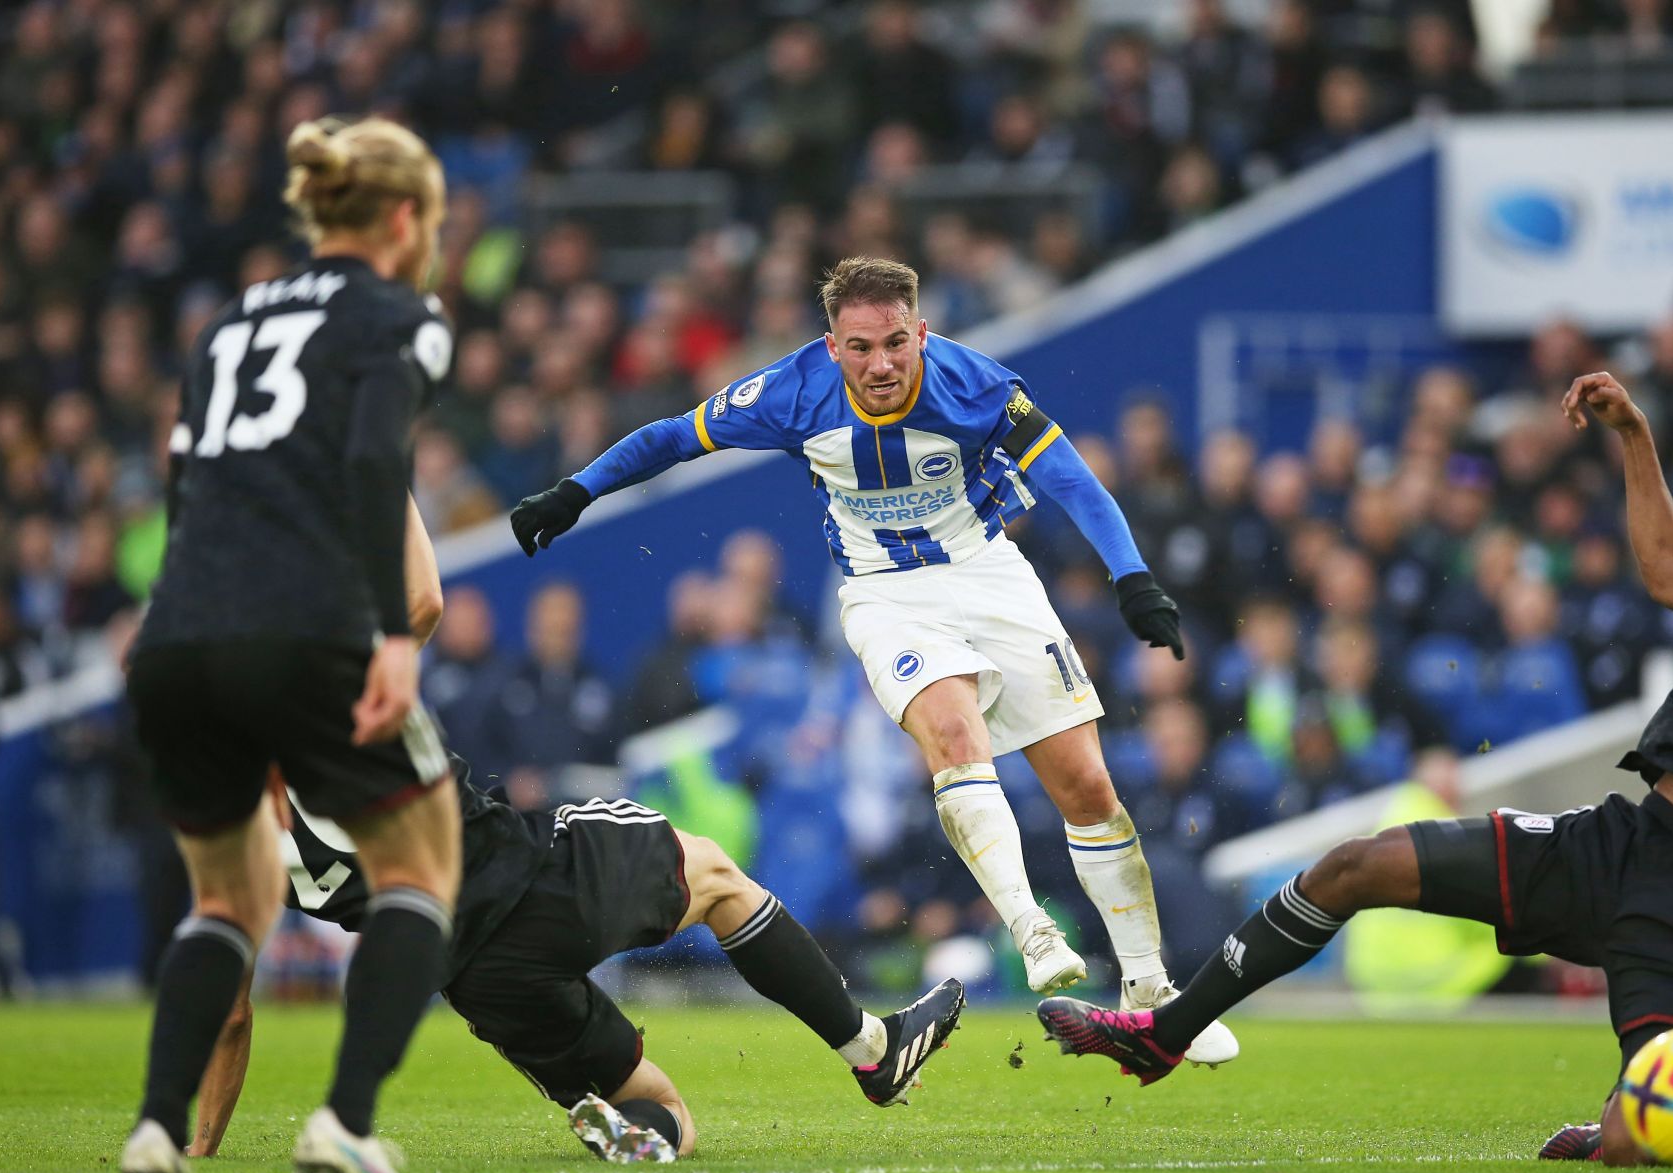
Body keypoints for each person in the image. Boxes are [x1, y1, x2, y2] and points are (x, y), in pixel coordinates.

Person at [1039, 371, 1673, 1167]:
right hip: (1622, 844)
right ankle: (1165, 1032)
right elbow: (1670, 571)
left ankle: (1617, 1123)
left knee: (1649, 1144)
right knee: (1354, 863)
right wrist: (1635, 434)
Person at [511, 256, 1236, 1065]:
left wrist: (1132, 577)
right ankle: (1033, 931)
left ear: (921, 331)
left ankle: (1149, 990)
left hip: (988, 572)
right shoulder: (792, 391)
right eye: (860, 347)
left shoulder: (977, 384)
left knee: (1089, 787)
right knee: (954, 738)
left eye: (896, 342)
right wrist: (575, 490)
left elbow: (1072, 480)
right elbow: (674, 438)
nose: (881, 364)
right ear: (831, 346)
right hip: (886, 594)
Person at [118, 117, 461, 1173]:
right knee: (423, 873)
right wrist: (395, 640)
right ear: (406, 219)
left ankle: (157, 1136)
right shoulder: (403, 317)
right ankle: (346, 1120)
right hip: (305, 628)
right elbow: (370, 460)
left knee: (226, 900)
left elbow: (187, 480)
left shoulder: (224, 324)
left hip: (177, 634)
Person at [187, 755, 967, 1166]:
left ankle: (635, 1130)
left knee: (667, 1106)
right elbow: (413, 603)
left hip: (476, 976)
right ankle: (872, 1049)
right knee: (718, 876)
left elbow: (230, 1012)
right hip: (538, 878)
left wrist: (202, 1144)